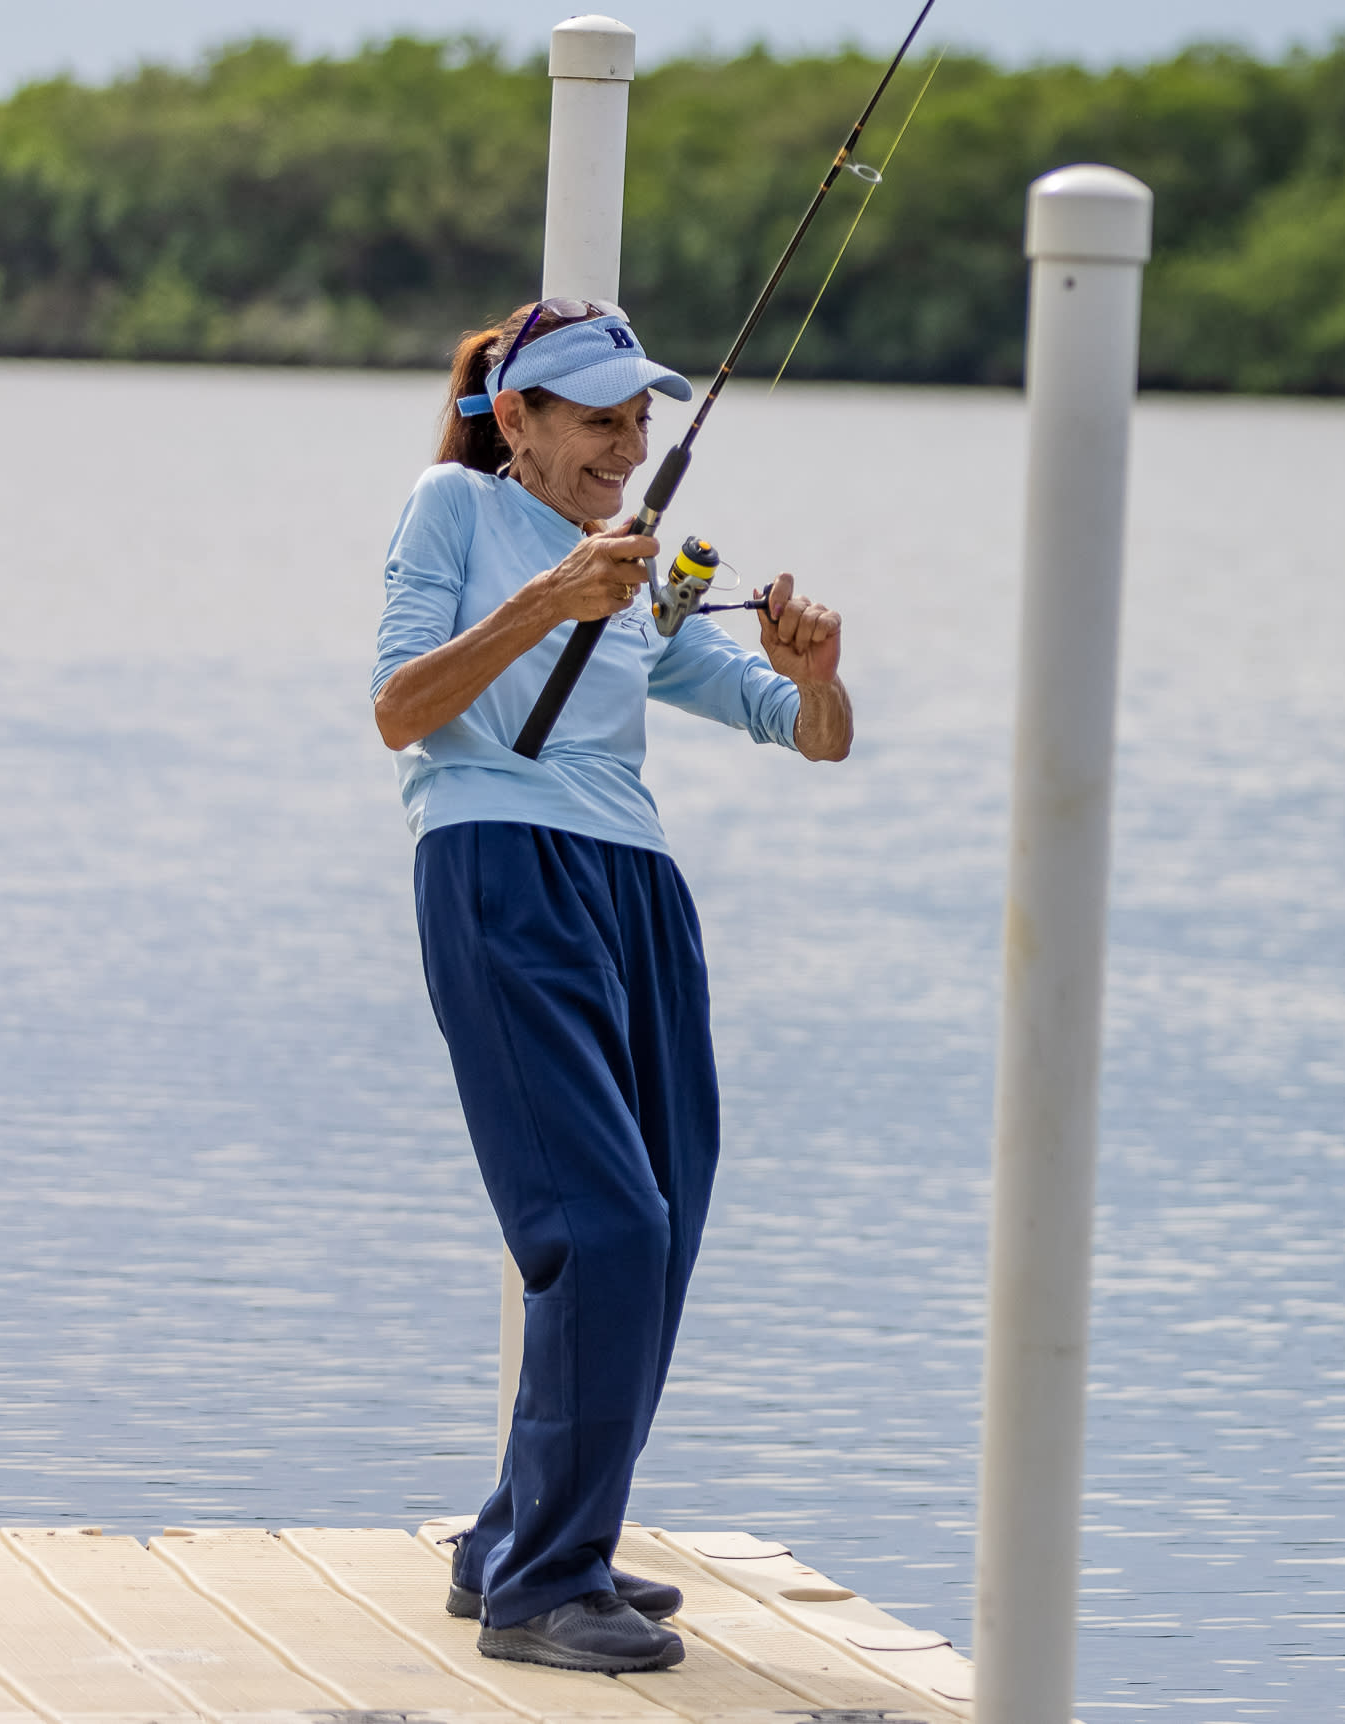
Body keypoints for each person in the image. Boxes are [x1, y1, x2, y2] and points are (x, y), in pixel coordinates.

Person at [371, 296, 852, 1675]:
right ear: (514, 420)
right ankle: (544, 1589)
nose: (627, 445)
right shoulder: (452, 514)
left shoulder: (640, 567)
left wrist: (813, 679)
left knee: (669, 1216)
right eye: (598, 419)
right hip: (497, 861)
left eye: (639, 419)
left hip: (635, 884)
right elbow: (400, 709)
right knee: (605, 1225)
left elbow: (808, 737)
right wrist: (547, 601)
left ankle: (521, 1538)